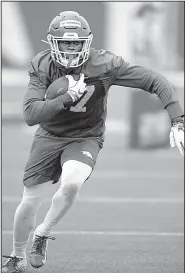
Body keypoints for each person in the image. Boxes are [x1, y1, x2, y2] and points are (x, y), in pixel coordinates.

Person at [2, 10, 184, 273]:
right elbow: (30, 115)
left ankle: (43, 233)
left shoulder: (104, 64)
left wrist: (178, 120)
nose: (71, 48)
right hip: (49, 135)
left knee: (72, 183)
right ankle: (17, 256)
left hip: (86, 136)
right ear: (53, 42)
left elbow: (154, 80)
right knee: (29, 202)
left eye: (76, 43)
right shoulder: (42, 65)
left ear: (86, 43)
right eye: (66, 42)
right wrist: (65, 98)